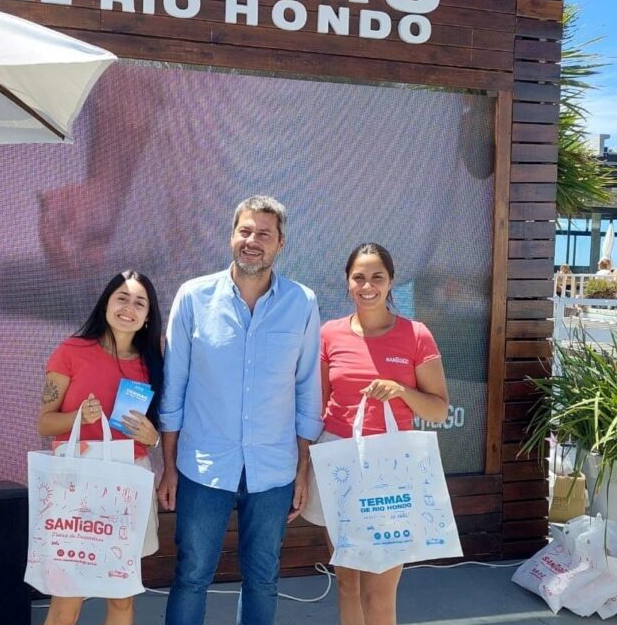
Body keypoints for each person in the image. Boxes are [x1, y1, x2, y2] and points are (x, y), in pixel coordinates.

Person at [158, 195, 323, 625]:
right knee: (192, 574)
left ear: (280, 244)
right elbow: (173, 388)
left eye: (264, 233)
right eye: (245, 230)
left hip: (273, 468)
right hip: (202, 463)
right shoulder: (193, 297)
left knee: (263, 576)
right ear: (232, 235)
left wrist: (302, 468)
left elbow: (308, 389)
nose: (253, 241)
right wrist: (169, 466)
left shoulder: (302, 303)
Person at [302, 243, 449, 625]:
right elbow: (317, 409)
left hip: (391, 467)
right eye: (359, 277)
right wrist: (302, 467)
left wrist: (402, 390)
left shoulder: (416, 335)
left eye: (377, 277)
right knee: (348, 584)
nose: (367, 285)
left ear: (391, 282)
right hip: (338, 462)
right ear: (348, 282)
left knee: (379, 594)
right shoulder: (329, 334)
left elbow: (438, 408)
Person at [37, 270, 164, 625]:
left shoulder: (152, 361)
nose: (129, 307)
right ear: (106, 303)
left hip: (129, 481)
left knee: (121, 600)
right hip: (76, 483)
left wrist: (151, 436)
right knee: (66, 600)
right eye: (121, 297)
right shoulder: (71, 351)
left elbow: (155, 432)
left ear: (148, 315)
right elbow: (44, 422)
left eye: (139, 302)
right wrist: (77, 416)